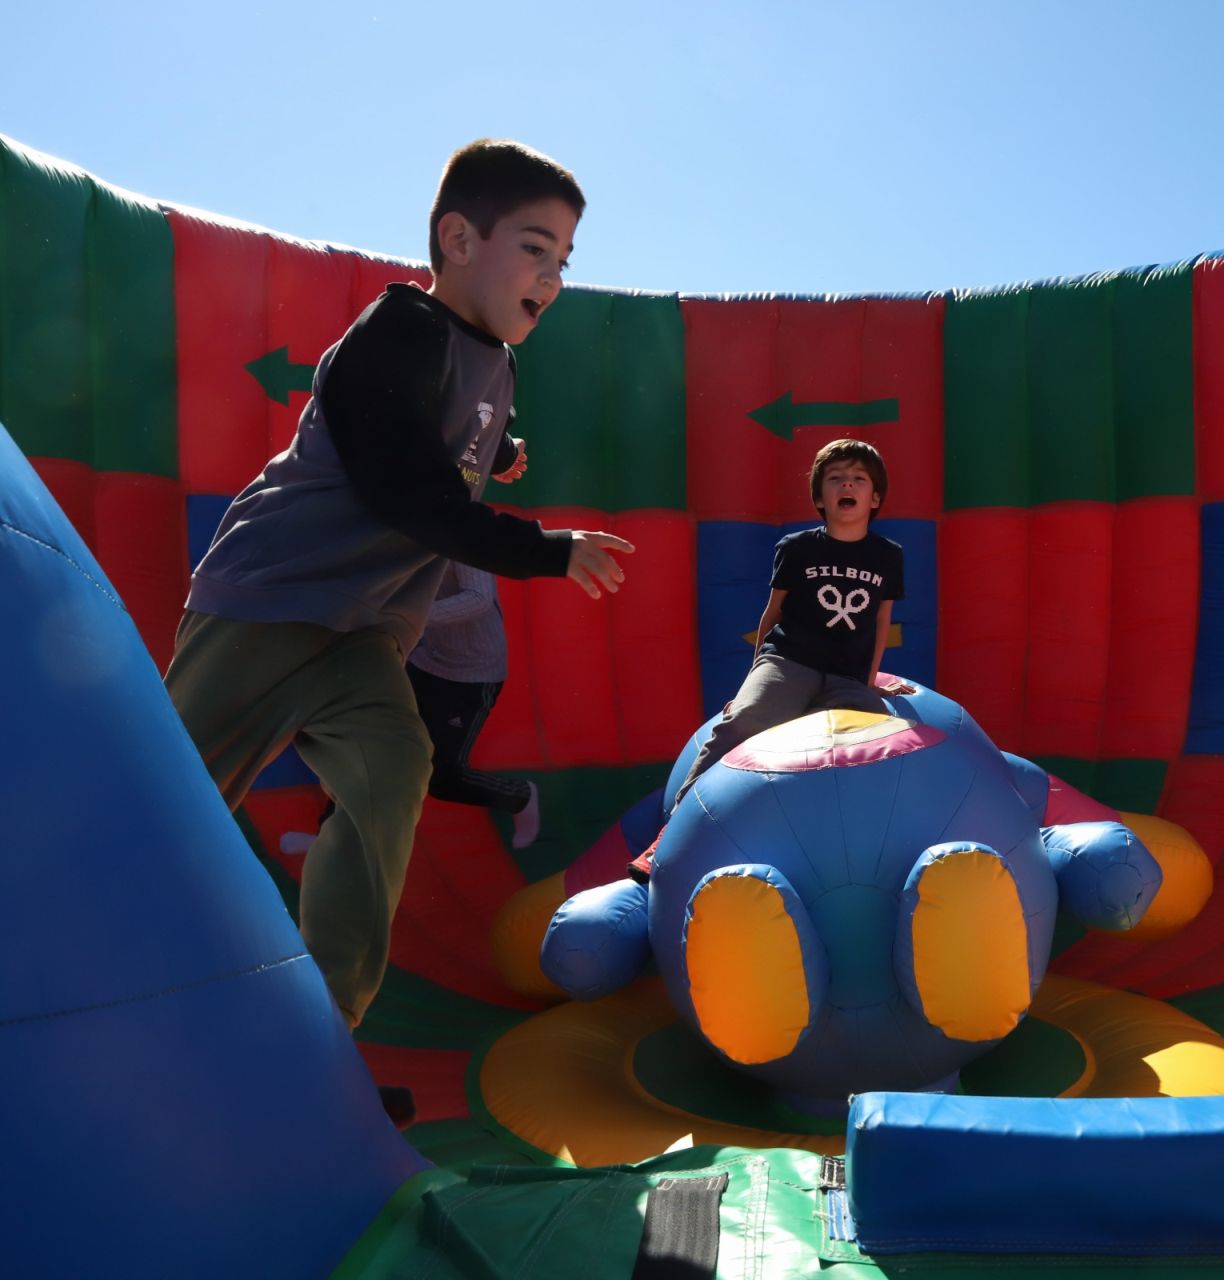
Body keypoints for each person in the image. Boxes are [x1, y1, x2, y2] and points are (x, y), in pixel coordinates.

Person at [164, 140, 631, 1122]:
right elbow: (407, 489)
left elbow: (457, 433)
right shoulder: (396, 331)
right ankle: (85, 992)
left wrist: (500, 449)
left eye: (566, 260)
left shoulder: (492, 359)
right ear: (458, 238)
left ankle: (314, 1043)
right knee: (171, 808)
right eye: (537, 249)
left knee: (390, 773)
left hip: (366, 633)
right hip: (269, 603)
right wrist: (543, 547)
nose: (553, 278)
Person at [670, 438, 913, 805]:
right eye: (835, 478)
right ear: (819, 498)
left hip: (845, 675)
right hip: (789, 662)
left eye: (858, 478)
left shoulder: (888, 556)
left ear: (875, 499)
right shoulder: (797, 547)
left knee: (879, 735)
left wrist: (868, 682)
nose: (847, 484)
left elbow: (881, 620)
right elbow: (773, 613)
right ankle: (681, 818)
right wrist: (751, 684)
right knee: (746, 721)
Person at [405, 560, 541, 847]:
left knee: (442, 778)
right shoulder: (395, 528)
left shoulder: (458, 527)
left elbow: (478, 598)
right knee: (372, 742)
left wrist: (408, 614)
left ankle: (520, 796)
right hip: (424, 656)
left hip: (471, 672)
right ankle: (331, 832)